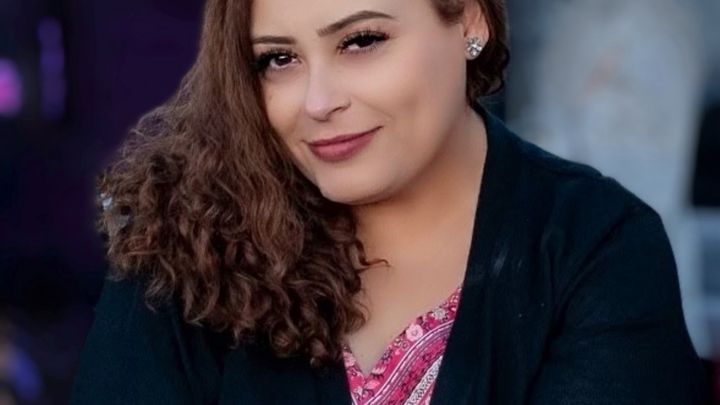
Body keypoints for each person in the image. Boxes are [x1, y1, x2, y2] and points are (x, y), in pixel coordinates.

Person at [70, 0, 709, 404]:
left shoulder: (595, 248)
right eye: (278, 59)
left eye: (361, 41)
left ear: (470, 20)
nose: (318, 102)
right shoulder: (188, 237)